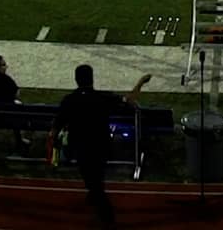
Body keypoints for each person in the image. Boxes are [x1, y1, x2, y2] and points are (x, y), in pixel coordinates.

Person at [54, 65, 151, 227]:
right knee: (96, 178)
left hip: (81, 148)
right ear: (92, 79)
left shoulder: (69, 100)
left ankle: (106, 214)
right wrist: (141, 82)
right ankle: (97, 199)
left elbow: (57, 124)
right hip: (101, 146)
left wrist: (54, 141)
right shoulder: (103, 98)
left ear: (76, 79)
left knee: (93, 182)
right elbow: (129, 100)